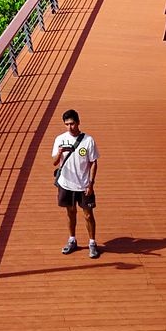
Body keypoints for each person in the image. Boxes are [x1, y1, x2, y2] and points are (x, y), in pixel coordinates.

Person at [52, 108, 100, 258]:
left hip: (84, 185)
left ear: (78, 122)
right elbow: (54, 162)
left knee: (88, 215)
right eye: (66, 124)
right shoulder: (59, 139)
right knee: (70, 212)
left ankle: (92, 242)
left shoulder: (88, 140)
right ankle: (72, 240)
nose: (70, 127)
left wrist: (91, 184)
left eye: (72, 124)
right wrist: (60, 153)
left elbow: (93, 163)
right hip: (66, 184)